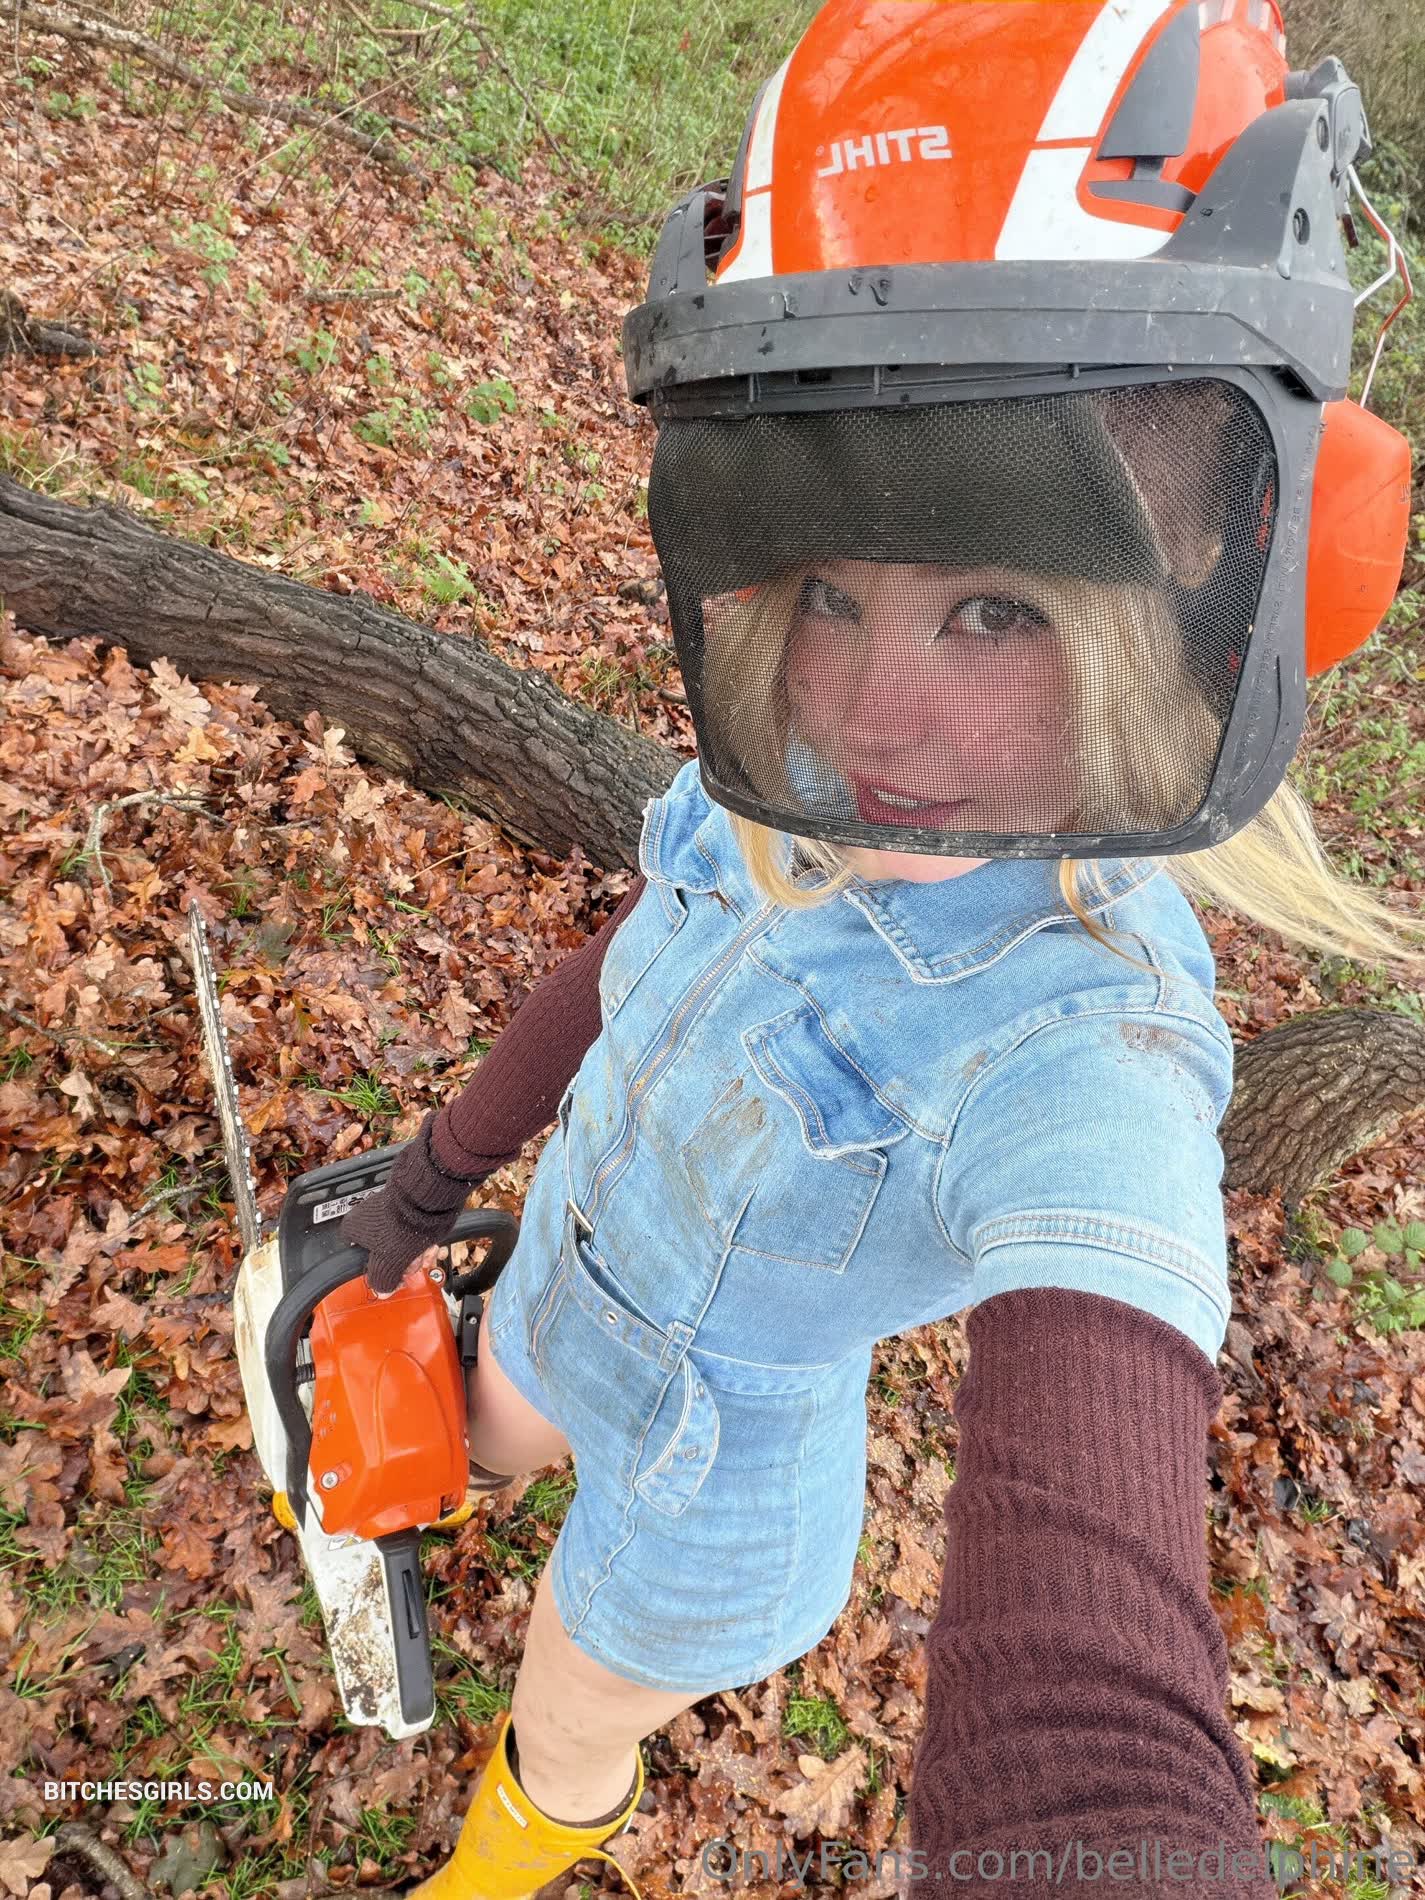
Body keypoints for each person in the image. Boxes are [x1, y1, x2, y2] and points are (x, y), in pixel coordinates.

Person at [340, 4, 1423, 1895]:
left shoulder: (1088, 1046)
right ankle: (461, 1476)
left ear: (1215, 603)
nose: (864, 714)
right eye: (832, 592)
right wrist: (429, 1183)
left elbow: (1093, 1632)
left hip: (704, 1498)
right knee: (489, 1417)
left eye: (995, 607)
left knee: (567, 1712)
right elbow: (630, 964)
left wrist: (1100, 1837)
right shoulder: (774, 794)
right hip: (562, 1283)